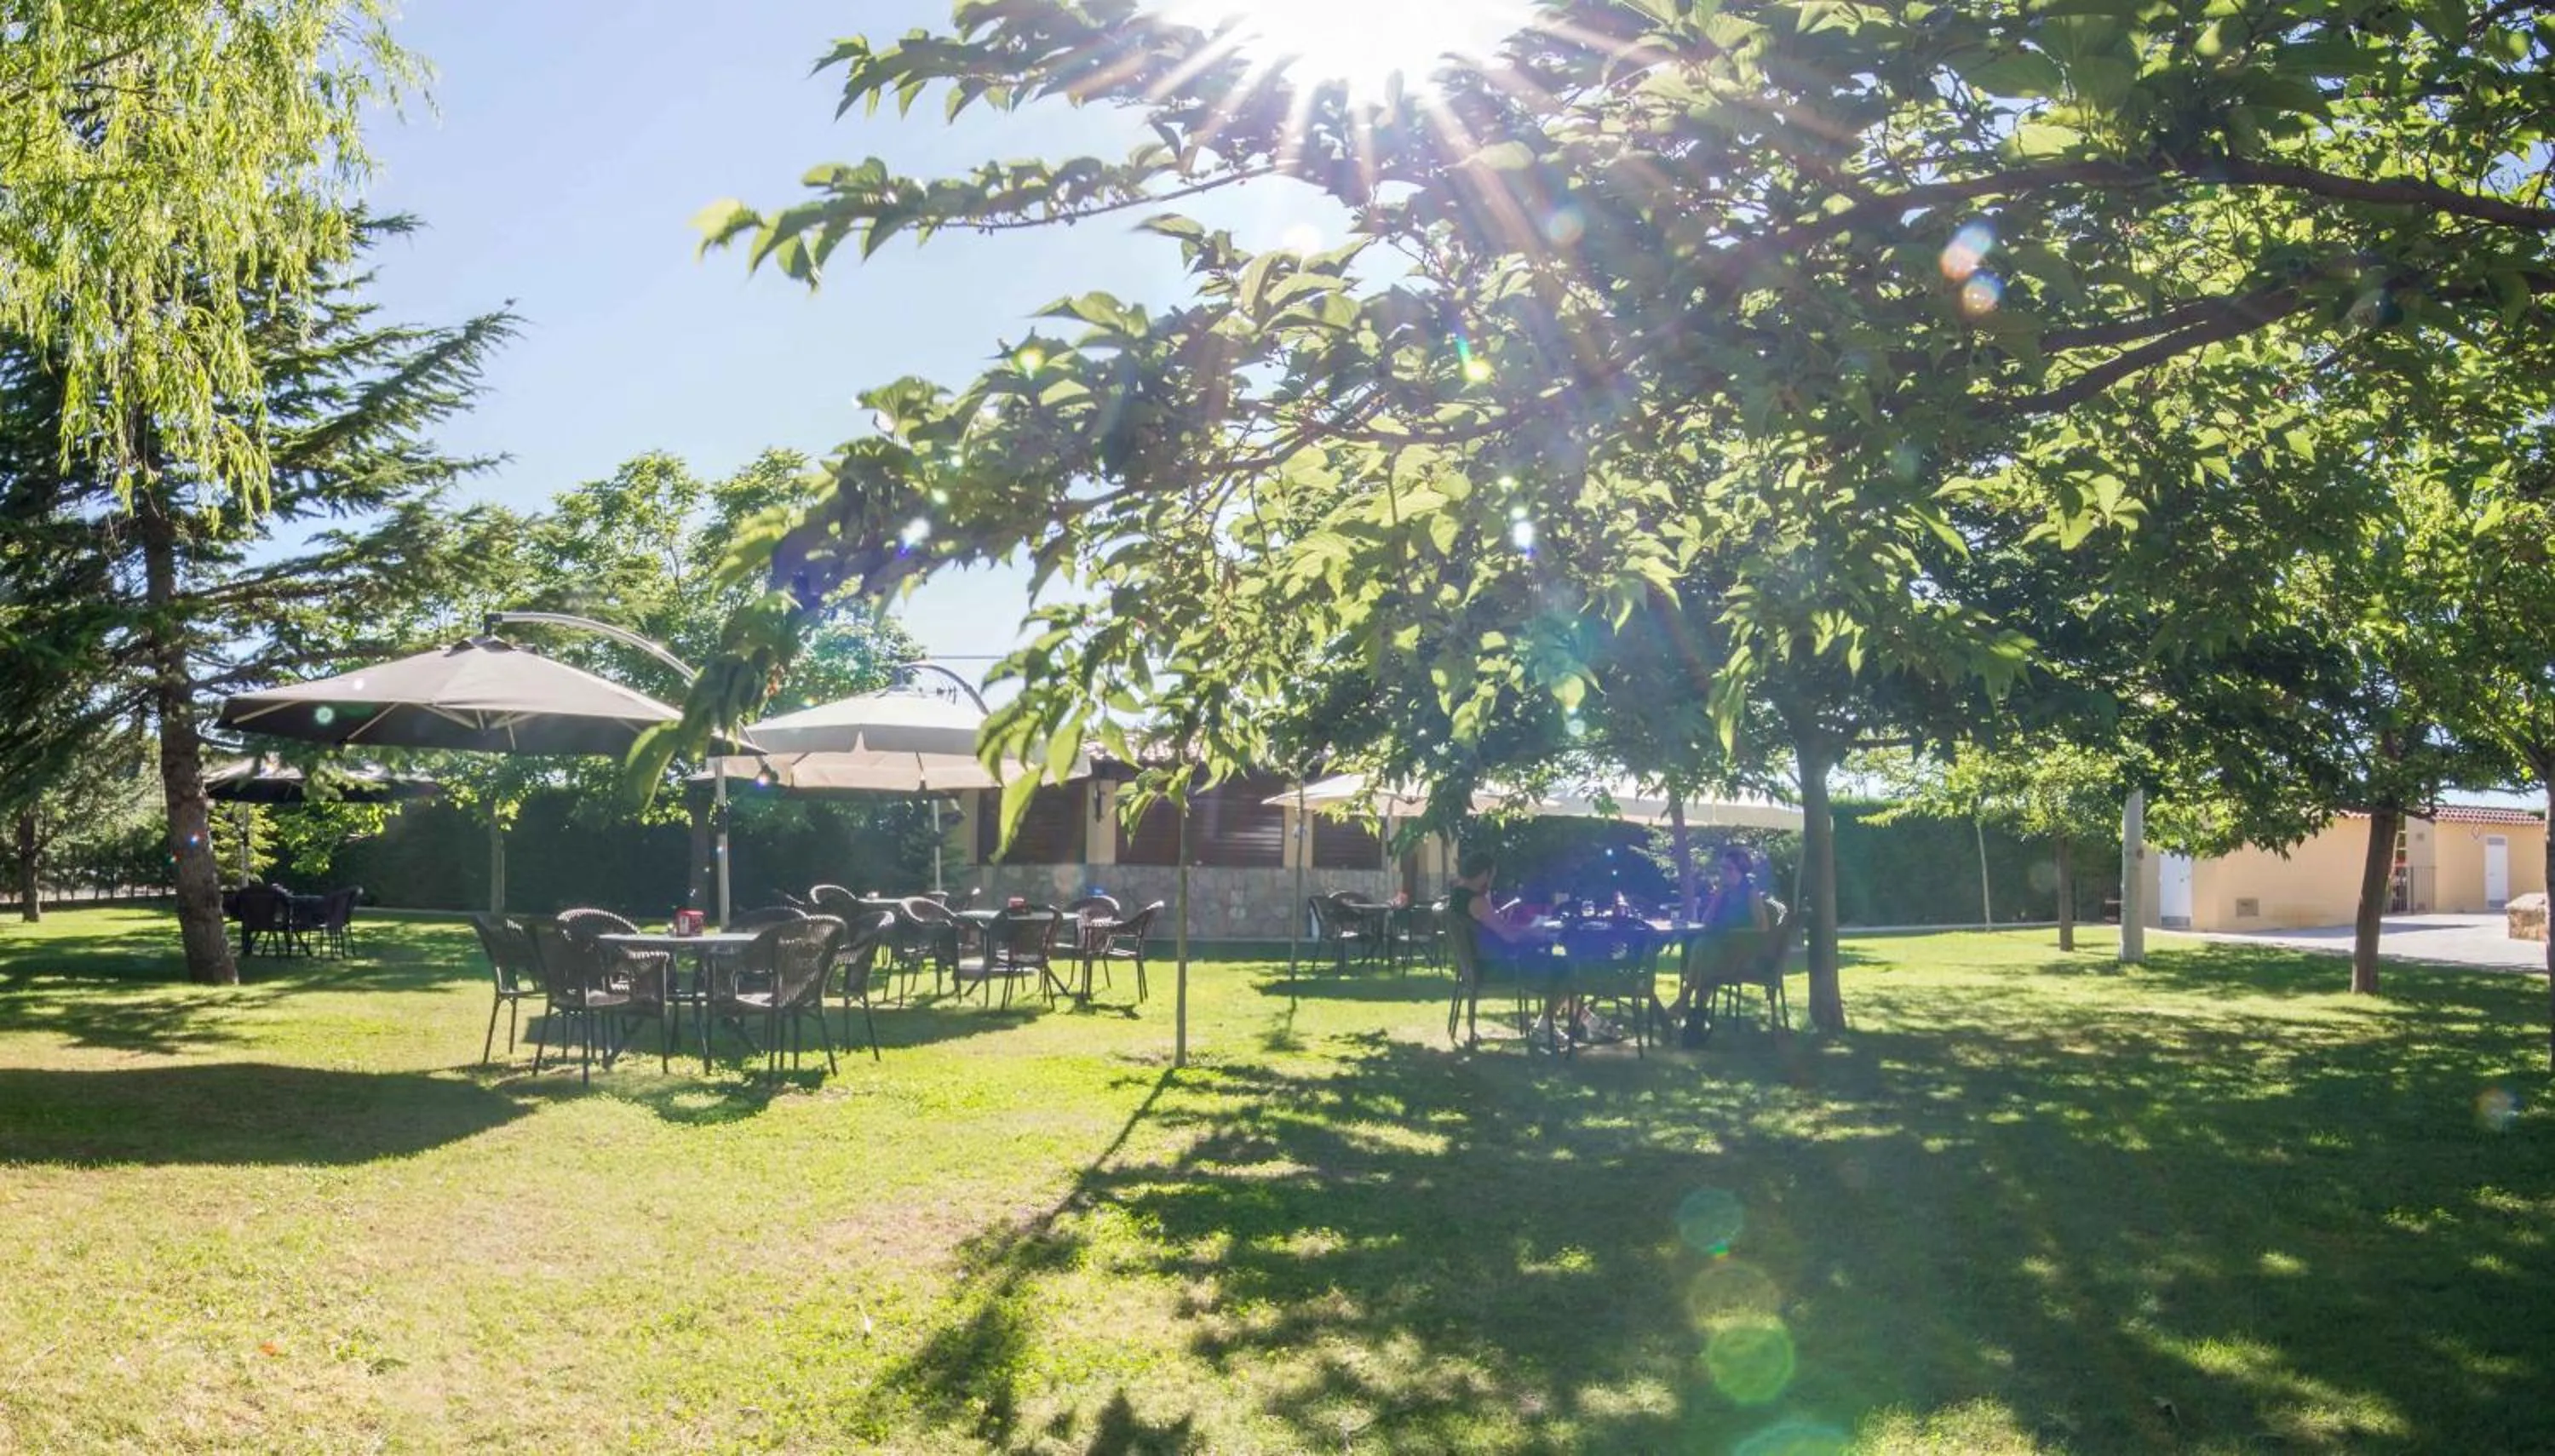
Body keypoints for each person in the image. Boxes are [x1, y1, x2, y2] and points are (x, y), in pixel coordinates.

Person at [1450, 850, 1573, 1050]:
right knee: (1565, 968)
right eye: (1492, 875)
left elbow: (1493, 929)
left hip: (1474, 965)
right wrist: (1537, 932)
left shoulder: (1457, 897)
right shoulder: (1477, 901)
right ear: (1484, 874)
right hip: (1496, 968)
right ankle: (1546, 1025)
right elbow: (1510, 936)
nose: (1492, 881)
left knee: (1551, 964)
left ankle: (1582, 1020)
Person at [1659, 847, 1771, 1041]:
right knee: (1701, 948)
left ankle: (1685, 1003)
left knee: (1702, 950)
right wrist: (1717, 897)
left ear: (1740, 871)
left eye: (1728, 869)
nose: (1723, 873)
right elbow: (1706, 921)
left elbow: (1763, 927)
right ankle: (1695, 1017)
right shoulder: (1724, 893)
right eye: (1722, 868)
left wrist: (1732, 932)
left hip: (1739, 950)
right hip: (1717, 948)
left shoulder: (1751, 892)